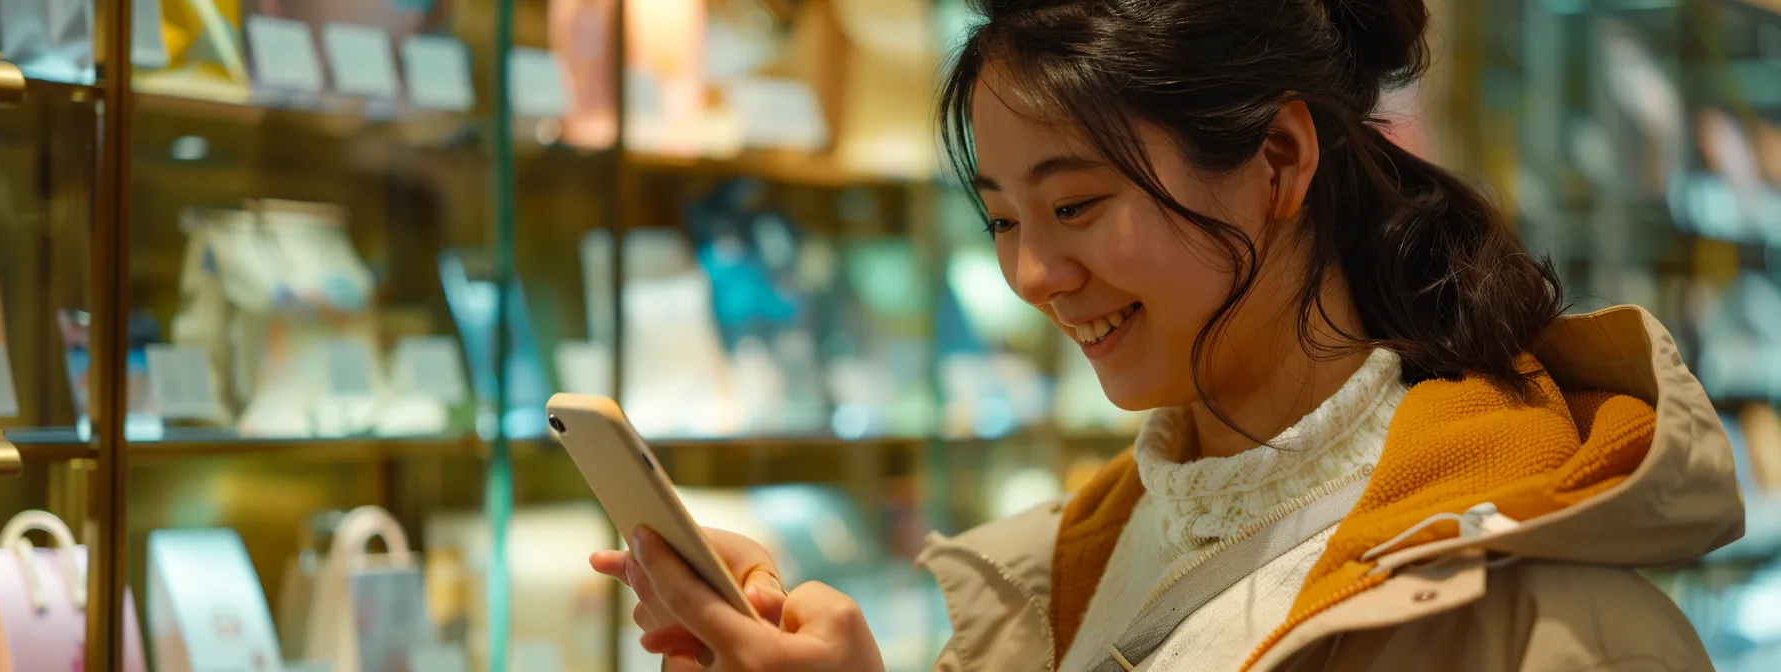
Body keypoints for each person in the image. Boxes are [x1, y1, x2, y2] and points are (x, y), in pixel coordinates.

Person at [589, 0, 1745, 669]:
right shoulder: (1061, 574)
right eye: (1001, 219)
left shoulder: (1548, 621)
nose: (1032, 274)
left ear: (1279, 162)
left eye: (1077, 205)